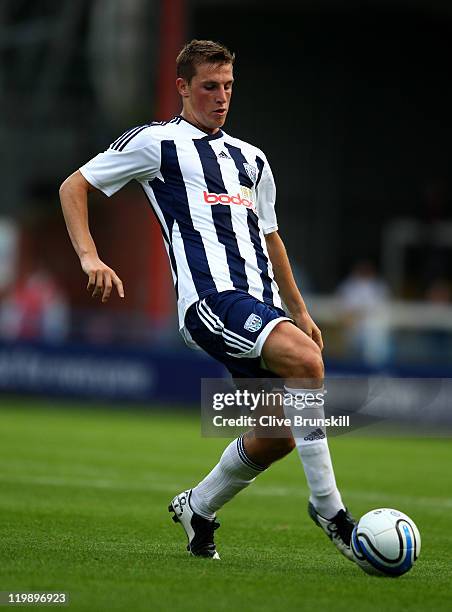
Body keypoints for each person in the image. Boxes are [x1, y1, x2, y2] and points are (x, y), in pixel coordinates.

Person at [59, 39, 355, 561]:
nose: (221, 98)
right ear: (183, 88)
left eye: (228, 87)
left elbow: (270, 237)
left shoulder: (252, 159)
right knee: (309, 363)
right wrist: (89, 257)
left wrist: (301, 311)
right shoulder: (157, 143)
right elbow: (73, 185)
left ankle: (198, 506)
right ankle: (330, 510)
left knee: (277, 436)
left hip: (262, 305)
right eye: (209, 87)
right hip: (211, 302)